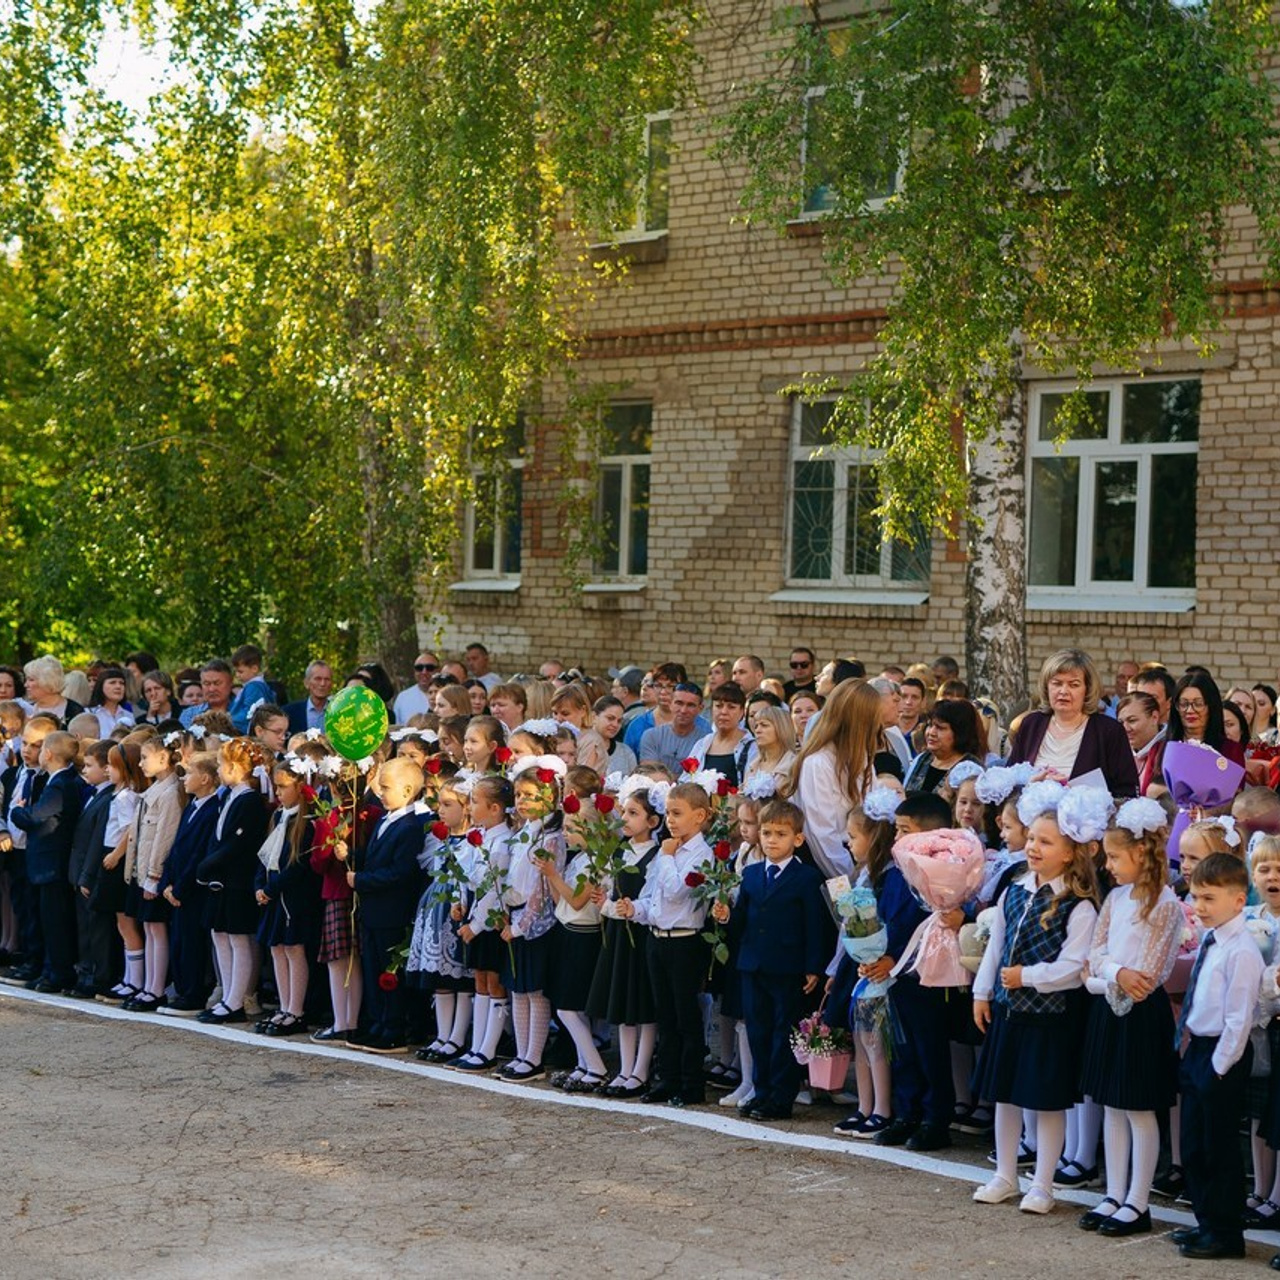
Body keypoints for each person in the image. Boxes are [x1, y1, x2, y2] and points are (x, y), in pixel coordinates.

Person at [971, 782, 1102, 1215]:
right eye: (1031, 838)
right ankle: (1005, 1174)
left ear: (1070, 852)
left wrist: (1026, 976)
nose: (1033, 847)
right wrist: (982, 990)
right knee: (1005, 1095)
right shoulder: (1014, 891)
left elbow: (1072, 967)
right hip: (1010, 1012)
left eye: (1045, 842)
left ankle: (1043, 1183)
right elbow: (996, 946)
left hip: (1051, 1017)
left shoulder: (1078, 904)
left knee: (1046, 1101)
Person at [1077, 798, 1182, 1237]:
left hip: (1142, 1016)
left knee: (1138, 1108)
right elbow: (1094, 957)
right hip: (1110, 1007)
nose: (1109, 865)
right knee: (1111, 1107)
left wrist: (1105, 974)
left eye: (1116, 856)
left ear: (1141, 853)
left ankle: (1138, 1202)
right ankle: (1114, 1193)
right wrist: (1114, 973)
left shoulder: (1165, 904)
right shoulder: (1117, 898)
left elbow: (1152, 976)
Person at [1171, 852, 1264, 1260]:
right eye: (1195, 897)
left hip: (1222, 1056)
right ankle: (1206, 1223)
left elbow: (1238, 1018)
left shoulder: (1242, 950)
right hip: (1200, 1049)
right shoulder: (1213, 940)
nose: (1199, 907)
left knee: (1218, 1148)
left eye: (1209, 898)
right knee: (1193, 1145)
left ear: (1238, 900)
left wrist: (1217, 1068)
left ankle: (1226, 1233)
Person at [712, 798, 825, 1121]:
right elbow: (743, 920)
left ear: (797, 839)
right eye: (766, 833)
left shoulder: (807, 878)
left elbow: (815, 926)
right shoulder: (750, 874)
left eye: (780, 834)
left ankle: (781, 1096)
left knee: (782, 1032)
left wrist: (813, 966)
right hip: (752, 964)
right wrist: (726, 917)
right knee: (758, 1031)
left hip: (789, 967)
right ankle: (760, 1092)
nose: (772, 840)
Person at [870, 791, 960, 1152]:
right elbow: (885, 919)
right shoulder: (895, 873)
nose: (896, 838)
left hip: (925, 974)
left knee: (928, 1046)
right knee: (902, 1046)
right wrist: (871, 951)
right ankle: (906, 1112)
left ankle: (935, 1118)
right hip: (893, 973)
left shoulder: (941, 877)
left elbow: (924, 928)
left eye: (903, 830)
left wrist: (896, 958)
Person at [616, 781, 714, 1107]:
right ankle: (666, 1078)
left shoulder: (701, 854)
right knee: (665, 1015)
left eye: (677, 813)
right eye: (668, 813)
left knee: (686, 1015)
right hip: (657, 940)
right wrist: (636, 909)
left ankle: (691, 1084)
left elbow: (677, 892)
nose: (670, 819)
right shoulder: (667, 850)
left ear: (699, 816)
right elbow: (653, 896)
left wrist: (669, 856)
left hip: (686, 943)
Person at [587, 777, 663, 1099]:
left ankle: (641, 1070)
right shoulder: (618, 852)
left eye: (633, 813)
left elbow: (645, 903)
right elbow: (606, 894)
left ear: (653, 820)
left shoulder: (658, 856)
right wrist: (603, 901)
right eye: (623, 812)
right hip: (620, 936)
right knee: (624, 1004)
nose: (625, 819)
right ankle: (624, 1068)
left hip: (642, 936)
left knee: (643, 1005)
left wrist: (610, 906)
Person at [347, 757, 426, 1053]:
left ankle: (394, 1027)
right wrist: (352, 853)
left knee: (390, 972)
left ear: (407, 790)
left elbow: (400, 872)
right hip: (374, 911)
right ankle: (378, 1022)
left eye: (386, 787)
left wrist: (362, 880)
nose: (380, 793)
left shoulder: (409, 827)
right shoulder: (384, 819)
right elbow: (373, 856)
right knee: (374, 967)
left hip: (392, 911)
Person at [196, 737, 272, 1025]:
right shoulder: (229, 796)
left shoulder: (249, 800)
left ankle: (236, 1000)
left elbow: (237, 844)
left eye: (220, 764)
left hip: (237, 878)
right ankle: (227, 993)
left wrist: (208, 864)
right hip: (221, 879)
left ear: (237, 767)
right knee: (220, 935)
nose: (217, 770)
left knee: (239, 939)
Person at [9, 730, 84, 992]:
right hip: (49, 866)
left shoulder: (60, 784)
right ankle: (51, 971)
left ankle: (58, 973)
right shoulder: (61, 781)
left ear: (49, 753)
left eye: (41, 749)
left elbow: (35, 817)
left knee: (56, 924)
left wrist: (17, 810)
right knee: (49, 921)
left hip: (53, 867)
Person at [1008, 649, 1139, 797]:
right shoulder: (1031, 724)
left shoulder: (1109, 731)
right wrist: (1029, 786)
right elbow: (1008, 780)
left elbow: (1127, 792)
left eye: (1074, 685)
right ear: (1046, 687)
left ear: (1087, 689)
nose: (1064, 691)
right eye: (1057, 683)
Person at [787, 679, 883, 879]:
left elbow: (873, 808)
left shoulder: (861, 756)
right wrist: (852, 881)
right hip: (836, 865)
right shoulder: (818, 762)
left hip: (865, 859)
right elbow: (822, 837)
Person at [453, 775, 516, 1071]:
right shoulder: (479, 836)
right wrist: (459, 900)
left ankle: (488, 1049)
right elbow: (464, 873)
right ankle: (475, 1045)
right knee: (479, 979)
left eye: (475, 802)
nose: (470, 806)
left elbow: (494, 888)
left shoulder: (503, 842)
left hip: (490, 922)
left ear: (495, 809)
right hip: (474, 915)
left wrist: (476, 925)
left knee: (494, 982)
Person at [253, 757, 320, 1037]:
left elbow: (299, 865)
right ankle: (284, 1006)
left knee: (294, 949)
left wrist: (272, 889)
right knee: (277, 948)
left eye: (283, 787)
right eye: (276, 787)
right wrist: (260, 884)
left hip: (293, 897)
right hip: (273, 895)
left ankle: (296, 1010)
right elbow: (265, 855)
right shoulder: (278, 816)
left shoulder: (307, 821)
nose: (278, 793)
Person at [158, 752, 222, 1016]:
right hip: (178, 887)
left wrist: (181, 887)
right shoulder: (192, 806)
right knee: (180, 940)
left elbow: (199, 853)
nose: (183, 778)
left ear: (205, 778)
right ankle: (183, 989)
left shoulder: (211, 809)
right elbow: (177, 848)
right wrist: (166, 881)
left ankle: (194, 992)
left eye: (189, 773)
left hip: (193, 890)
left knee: (193, 942)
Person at [124, 735, 185, 1011]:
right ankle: (148, 985)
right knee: (148, 928)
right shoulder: (155, 789)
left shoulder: (170, 793)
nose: (140, 763)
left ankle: (156, 988)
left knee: (157, 929)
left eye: (145, 757)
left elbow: (164, 837)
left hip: (154, 874)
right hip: (143, 872)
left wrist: (154, 874)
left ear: (163, 758)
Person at [67, 740, 117, 999]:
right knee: (85, 927)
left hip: (92, 874)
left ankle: (98, 976)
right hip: (81, 872)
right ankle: (86, 973)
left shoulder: (109, 798)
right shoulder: (96, 794)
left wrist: (87, 876)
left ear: (107, 768)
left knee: (97, 930)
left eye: (89, 765)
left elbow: (98, 841)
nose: (84, 770)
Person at [902, 699, 985, 795]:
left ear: (959, 733)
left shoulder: (970, 769)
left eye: (940, 728)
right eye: (930, 725)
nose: (931, 733)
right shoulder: (923, 758)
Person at [687, 681, 754, 787]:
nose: (724, 712)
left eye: (731, 707)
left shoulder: (751, 747)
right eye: (718, 706)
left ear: (742, 712)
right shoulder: (702, 744)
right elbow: (686, 779)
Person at [637, 682, 708, 775]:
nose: (683, 710)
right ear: (670, 704)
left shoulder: (705, 741)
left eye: (690, 705)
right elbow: (650, 774)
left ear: (700, 708)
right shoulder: (651, 736)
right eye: (679, 703)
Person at [1116, 692, 1164, 794]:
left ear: (1154, 717)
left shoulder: (1170, 752)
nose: (1125, 728)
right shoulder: (1117, 752)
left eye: (1132, 720)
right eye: (1120, 723)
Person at [22, 656, 85, 727]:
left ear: (48, 681)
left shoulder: (74, 711)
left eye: (31, 680)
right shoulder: (26, 709)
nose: (25, 685)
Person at [179, 660, 235, 729]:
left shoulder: (243, 711)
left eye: (217, 683)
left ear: (230, 683)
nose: (211, 689)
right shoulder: (189, 714)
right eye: (206, 684)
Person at [283, 661, 333, 736]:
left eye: (327, 679)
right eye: (318, 679)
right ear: (306, 683)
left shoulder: (338, 713)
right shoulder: (289, 712)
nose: (323, 684)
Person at [392, 652, 441, 723]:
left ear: (439, 670)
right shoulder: (403, 698)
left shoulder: (448, 696)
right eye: (419, 668)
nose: (424, 672)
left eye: (429, 668)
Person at [88, 667, 135, 738]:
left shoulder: (128, 715)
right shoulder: (90, 714)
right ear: (101, 686)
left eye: (121, 683)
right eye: (112, 682)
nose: (118, 686)